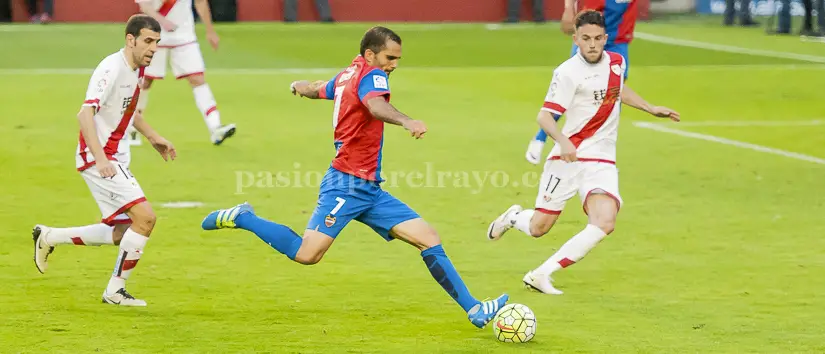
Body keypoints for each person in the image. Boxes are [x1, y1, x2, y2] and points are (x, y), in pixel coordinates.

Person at [200, 26, 509, 328]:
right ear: (370, 54)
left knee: (428, 237)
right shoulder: (372, 76)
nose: (394, 65)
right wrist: (407, 121)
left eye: (397, 59)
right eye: (390, 58)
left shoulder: (349, 74)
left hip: (370, 190)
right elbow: (375, 105)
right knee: (307, 254)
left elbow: (318, 89)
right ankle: (244, 217)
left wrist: (298, 86)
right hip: (346, 185)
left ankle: (475, 309)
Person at [487, 10, 680, 295]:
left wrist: (650, 108)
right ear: (576, 39)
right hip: (568, 158)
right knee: (539, 228)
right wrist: (562, 141)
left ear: (605, 38)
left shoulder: (617, 63)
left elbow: (617, 90)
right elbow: (544, 117)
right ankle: (514, 218)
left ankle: (541, 274)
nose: (592, 44)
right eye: (586, 38)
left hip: (602, 160)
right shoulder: (567, 73)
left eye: (597, 38)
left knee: (605, 222)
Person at [32, 14, 177, 306]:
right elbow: (84, 114)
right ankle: (114, 291)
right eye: (148, 41)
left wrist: (153, 137)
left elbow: (129, 110)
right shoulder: (111, 69)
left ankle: (48, 236)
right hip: (100, 158)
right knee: (146, 218)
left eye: (157, 42)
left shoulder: (137, 68)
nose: (153, 48)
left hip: (115, 157)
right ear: (130, 40)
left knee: (122, 232)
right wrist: (100, 159)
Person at [525, 0, 636, 165]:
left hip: (618, 40)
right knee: (570, 89)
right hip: (590, 33)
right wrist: (569, 8)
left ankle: (603, 150)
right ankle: (541, 138)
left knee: (613, 93)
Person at [131, 0, 236, 146]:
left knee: (197, 79)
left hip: (184, 36)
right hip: (153, 35)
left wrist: (210, 30)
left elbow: (200, 2)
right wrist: (163, 22)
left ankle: (215, 126)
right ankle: (132, 128)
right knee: (145, 82)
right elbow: (144, 6)